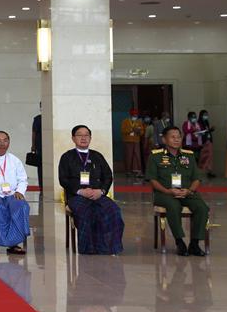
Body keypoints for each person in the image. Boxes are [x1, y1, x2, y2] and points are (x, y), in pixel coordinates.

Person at [58, 125, 124, 255]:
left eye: (86, 135)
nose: (83, 138)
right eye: (79, 135)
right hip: (77, 196)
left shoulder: (97, 156)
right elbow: (63, 179)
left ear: (90, 138)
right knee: (86, 211)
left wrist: (101, 191)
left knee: (113, 210)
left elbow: (108, 176)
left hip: (97, 194)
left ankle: (110, 246)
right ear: (73, 138)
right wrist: (80, 191)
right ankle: (89, 248)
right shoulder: (67, 157)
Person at [146, 125, 209, 256]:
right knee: (173, 205)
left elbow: (197, 178)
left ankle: (195, 244)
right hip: (164, 193)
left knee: (202, 207)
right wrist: (168, 191)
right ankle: (179, 242)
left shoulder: (189, 156)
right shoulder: (155, 156)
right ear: (164, 140)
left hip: (187, 192)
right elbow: (152, 180)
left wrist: (189, 191)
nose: (176, 140)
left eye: (179, 137)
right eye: (172, 137)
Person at [120, 108, 144, 178]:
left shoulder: (139, 122)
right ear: (130, 115)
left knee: (137, 156)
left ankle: (139, 171)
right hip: (128, 141)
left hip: (136, 141)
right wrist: (131, 129)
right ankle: (128, 171)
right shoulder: (125, 121)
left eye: (136, 115)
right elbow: (123, 131)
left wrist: (138, 131)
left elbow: (142, 132)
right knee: (129, 156)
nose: (135, 116)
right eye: (134, 115)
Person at [197, 109, 216, 178]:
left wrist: (210, 130)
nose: (206, 116)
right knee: (203, 156)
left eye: (207, 115)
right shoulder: (199, 122)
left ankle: (209, 171)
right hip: (203, 141)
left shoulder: (206, 122)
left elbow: (207, 131)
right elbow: (200, 132)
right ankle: (201, 171)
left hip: (209, 140)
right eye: (205, 115)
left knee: (210, 156)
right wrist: (209, 130)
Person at [31, 104, 43, 193]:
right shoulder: (38, 119)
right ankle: (42, 186)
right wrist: (33, 145)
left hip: (49, 147)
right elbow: (34, 133)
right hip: (40, 146)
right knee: (40, 167)